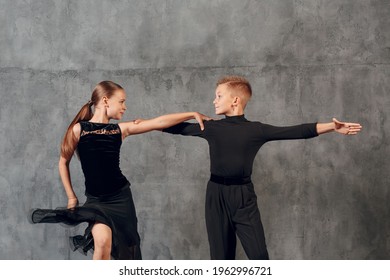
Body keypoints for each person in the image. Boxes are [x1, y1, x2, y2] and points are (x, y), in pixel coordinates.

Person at [161, 75, 362, 260]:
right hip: (215, 195)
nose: (214, 100)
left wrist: (332, 127)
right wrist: (190, 113)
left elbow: (295, 131)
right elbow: (169, 127)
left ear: (235, 101)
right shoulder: (212, 127)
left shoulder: (256, 130)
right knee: (220, 259)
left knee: (259, 257)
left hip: (243, 196)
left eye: (219, 96)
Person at [29, 80, 210, 260]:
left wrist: (191, 114)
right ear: (106, 100)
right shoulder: (78, 130)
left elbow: (159, 122)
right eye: (122, 101)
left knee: (127, 253)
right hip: (96, 201)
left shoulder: (120, 129)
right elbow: (63, 162)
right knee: (102, 243)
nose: (125, 106)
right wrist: (71, 196)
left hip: (121, 199)